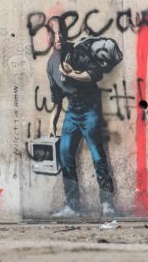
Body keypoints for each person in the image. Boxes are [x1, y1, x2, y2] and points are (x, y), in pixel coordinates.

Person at [46, 30, 122, 219]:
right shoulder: (51, 64)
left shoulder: (78, 51)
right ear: (48, 38)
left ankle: (107, 204)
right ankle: (72, 207)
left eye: (60, 33)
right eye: (53, 35)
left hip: (90, 106)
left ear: (65, 36)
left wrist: (73, 73)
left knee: (97, 155)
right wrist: (52, 123)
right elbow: (57, 97)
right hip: (72, 110)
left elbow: (93, 75)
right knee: (65, 155)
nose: (58, 38)